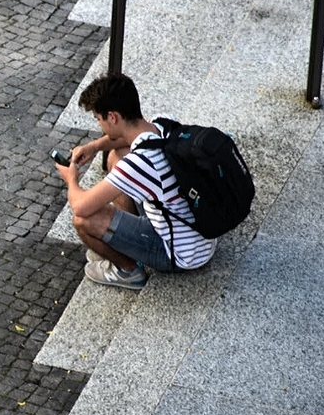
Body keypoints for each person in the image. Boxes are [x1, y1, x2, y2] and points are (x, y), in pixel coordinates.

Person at [54, 73, 216, 289]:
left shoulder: (139, 164)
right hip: (201, 233)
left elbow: (81, 206)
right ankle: (126, 242)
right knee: (117, 153)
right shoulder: (163, 124)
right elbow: (124, 138)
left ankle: (128, 271)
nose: (100, 125)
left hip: (179, 254)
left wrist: (71, 179)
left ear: (112, 117)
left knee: (84, 221)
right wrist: (94, 147)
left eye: (98, 119)